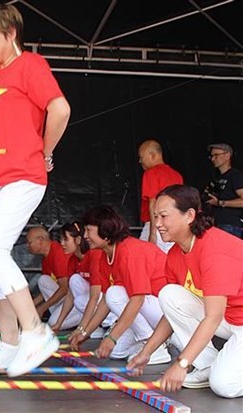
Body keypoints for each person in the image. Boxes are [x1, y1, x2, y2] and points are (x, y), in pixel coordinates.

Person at [0, 4, 71, 377]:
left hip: (24, 173)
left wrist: (44, 151)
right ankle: (10, 340)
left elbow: (60, 109)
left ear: (11, 32)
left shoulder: (30, 65)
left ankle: (35, 331)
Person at [128, 185, 243, 398]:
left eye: (163, 216)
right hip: (230, 319)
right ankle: (209, 366)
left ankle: (218, 371)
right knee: (169, 294)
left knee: (225, 386)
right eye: (155, 217)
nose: (158, 224)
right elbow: (172, 313)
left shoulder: (213, 250)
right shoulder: (175, 254)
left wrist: (182, 363)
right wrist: (147, 352)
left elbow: (213, 317)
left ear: (189, 215)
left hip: (231, 320)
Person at [70, 206, 171, 365]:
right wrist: (85, 332)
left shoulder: (130, 251)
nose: (85, 236)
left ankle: (155, 346)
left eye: (89, 230)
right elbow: (104, 303)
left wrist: (112, 337)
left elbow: (137, 298)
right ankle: (147, 340)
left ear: (105, 231)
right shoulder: (106, 256)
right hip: (150, 310)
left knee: (115, 293)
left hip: (167, 313)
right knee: (117, 353)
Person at [55, 222, 116, 338]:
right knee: (75, 280)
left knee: (80, 300)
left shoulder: (94, 255)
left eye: (65, 239)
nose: (62, 244)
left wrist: (81, 329)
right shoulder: (72, 260)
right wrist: (59, 323)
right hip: (95, 301)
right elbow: (70, 295)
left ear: (78, 240)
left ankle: (112, 323)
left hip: (109, 300)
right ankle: (97, 326)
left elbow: (95, 296)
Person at [28, 226, 81, 331]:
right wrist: (30, 307)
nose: (27, 246)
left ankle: (87, 319)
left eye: (29, 242)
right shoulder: (45, 259)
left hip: (77, 299)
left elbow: (65, 288)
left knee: (52, 322)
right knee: (43, 280)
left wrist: (42, 308)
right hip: (68, 299)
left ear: (40, 240)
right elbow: (47, 292)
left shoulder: (58, 252)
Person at [137, 140, 183, 252]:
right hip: (175, 226)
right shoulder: (177, 175)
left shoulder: (151, 173)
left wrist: (153, 234)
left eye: (141, 157)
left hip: (157, 225)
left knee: (146, 259)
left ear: (152, 155)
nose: (140, 161)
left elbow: (153, 204)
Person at [204, 143, 243, 238]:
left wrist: (220, 202)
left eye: (216, 155)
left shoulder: (235, 176)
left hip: (230, 225)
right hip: (216, 224)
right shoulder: (217, 178)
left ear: (227, 155)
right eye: (211, 156)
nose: (213, 159)